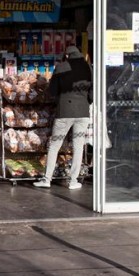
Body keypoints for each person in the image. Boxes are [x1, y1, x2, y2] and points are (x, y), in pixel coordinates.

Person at [34, 46, 92, 190]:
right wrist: (86, 102)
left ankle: (47, 179)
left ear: (67, 55)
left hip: (65, 112)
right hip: (83, 112)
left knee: (55, 145)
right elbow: (92, 91)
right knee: (78, 146)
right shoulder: (87, 67)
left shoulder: (61, 67)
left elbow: (53, 91)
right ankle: (73, 181)